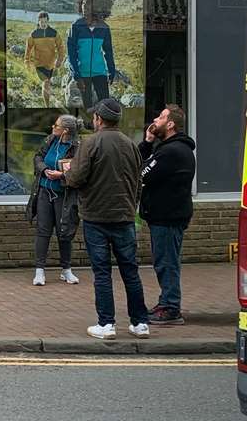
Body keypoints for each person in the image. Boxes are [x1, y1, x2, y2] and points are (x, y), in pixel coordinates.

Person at [62, 96, 148, 340]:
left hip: (96, 218)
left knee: (102, 272)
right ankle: (140, 323)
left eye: (94, 116)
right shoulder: (130, 144)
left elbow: (76, 178)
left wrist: (67, 173)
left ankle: (107, 324)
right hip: (124, 216)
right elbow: (139, 181)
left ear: (99, 119)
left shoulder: (90, 144)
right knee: (130, 271)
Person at [139, 105, 195, 326]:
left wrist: (147, 143)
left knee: (166, 263)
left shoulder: (170, 151)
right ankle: (166, 302)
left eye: (161, 117)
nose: (156, 118)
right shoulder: (171, 148)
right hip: (168, 214)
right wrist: (149, 141)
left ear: (170, 124)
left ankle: (170, 307)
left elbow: (141, 171)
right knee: (166, 261)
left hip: (167, 216)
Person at [27, 114, 80, 286]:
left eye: (56, 125)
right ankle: (39, 271)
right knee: (43, 230)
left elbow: (79, 172)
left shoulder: (76, 147)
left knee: (63, 232)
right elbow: (38, 157)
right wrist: (43, 169)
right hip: (44, 190)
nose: (52, 127)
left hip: (63, 194)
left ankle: (66, 270)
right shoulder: (50, 140)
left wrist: (62, 175)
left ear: (65, 130)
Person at [66, 0, 116, 112]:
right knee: (87, 107)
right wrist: (76, 75)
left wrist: (111, 70)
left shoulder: (104, 28)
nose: (84, 6)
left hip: (100, 72)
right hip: (83, 74)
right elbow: (71, 54)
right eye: (83, 3)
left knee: (104, 106)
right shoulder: (76, 26)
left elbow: (108, 52)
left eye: (88, 3)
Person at [25, 12, 66, 106]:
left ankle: (46, 100)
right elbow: (28, 49)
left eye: (45, 22)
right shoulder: (33, 34)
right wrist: (27, 62)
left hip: (51, 64)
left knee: (48, 83)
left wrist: (60, 59)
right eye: (41, 22)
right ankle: (47, 106)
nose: (43, 24)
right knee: (46, 82)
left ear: (48, 21)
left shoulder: (54, 33)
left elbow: (61, 47)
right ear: (38, 21)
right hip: (39, 63)